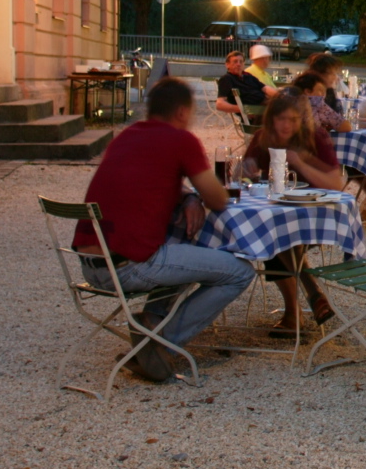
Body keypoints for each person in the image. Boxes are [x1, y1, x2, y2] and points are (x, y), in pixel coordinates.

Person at [74, 78, 254, 381]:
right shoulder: (180, 140)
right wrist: (200, 195)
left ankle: (152, 325)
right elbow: (218, 199)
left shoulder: (126, 137)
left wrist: (186, 196)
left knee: (185, 245)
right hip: (128, 266)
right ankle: (158, 342)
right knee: (240, 272)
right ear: (183, 112)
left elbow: (146, 180)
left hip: (91, 265)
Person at [241, 90, 346, 336]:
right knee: (275, 233)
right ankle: (307, 299)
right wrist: (247, 169)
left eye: (292, 119)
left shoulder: (316, 137)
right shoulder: (261, 138)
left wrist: (299, 163)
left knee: (275, 236)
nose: (286, 125)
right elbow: (244, 175)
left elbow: (335, 184)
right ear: (271, 120)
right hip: (276, 219)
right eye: (281, 119)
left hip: (314, 217)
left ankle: (296, 310)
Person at [214, 48, 275, 120]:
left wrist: (281, 95)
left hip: (267, 105)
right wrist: (244, 109)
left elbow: (265, 88)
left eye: (241, 62)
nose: (239, 64)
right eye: (235, 62)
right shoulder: (227, 79)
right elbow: (220, 104)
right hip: (258, 113)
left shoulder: (248, 76)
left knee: (286, 102)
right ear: (227, 65)